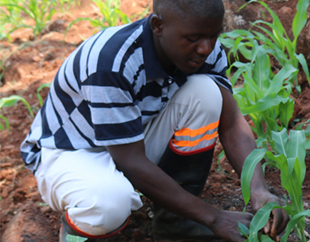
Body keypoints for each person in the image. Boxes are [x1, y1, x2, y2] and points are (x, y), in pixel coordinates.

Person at [20, 0, 289, 241]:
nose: (206, 48)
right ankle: (77, 231)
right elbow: (131, 161)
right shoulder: (112, 62)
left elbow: (231, 124)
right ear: (158, 26)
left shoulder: (205, 50)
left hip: (129, 137)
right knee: (109, 205)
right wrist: (214, 217)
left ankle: (175, 224)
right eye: (194, 38)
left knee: (208, 93)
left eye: (212, 35)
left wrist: (258, 190)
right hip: (71, 151)